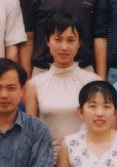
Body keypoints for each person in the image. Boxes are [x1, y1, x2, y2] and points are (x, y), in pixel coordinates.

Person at [24, 14, 102, 152]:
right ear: (48, 41)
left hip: (85, 157)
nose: (64, 47)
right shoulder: (34, 84)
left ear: (79, 43)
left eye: (70, 40)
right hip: (48, 158)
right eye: (58, 39)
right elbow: (30, 133)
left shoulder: (94, 82)